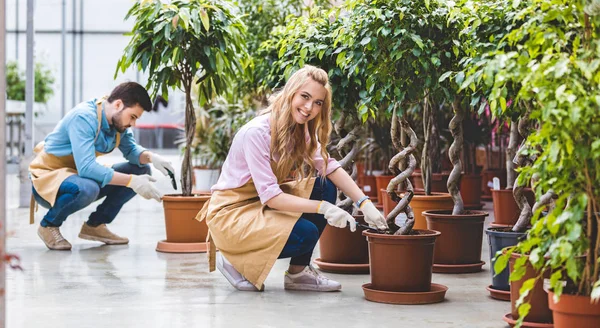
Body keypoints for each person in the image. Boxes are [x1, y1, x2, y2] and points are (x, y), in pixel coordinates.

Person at [197, 65, 388, 292]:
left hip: (258, 205)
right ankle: (233, 258)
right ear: (291, 93)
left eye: (318, 103)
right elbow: (271, 196)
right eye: (305, 97)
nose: (309, 108)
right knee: (305, 235)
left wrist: (364, 203)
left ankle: (298, 274)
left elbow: (329, 166)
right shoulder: (257, 133)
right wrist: (324, 208)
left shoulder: (300, 130)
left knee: (323, 186)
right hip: (232, 214)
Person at [29, 82, 174, 251]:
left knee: (141, 169)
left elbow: (132, 151)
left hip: (76, 176)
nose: (133, 124)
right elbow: (87, 168)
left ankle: (95, 225)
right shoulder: (84, 118)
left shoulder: (118, 123)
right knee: (89, 188)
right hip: (49, 179)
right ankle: (48, 225)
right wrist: (132, 181)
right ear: (118, 104)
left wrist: (152, 158)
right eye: (133, 117)